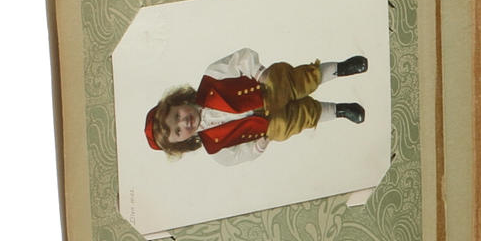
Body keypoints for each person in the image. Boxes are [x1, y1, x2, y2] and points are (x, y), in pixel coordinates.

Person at [144, 48, 369, 162]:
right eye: (178, 131)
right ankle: (340, 110)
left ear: (179, 102)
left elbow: (241, 58)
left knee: (302, 79)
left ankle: (340, 68)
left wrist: (260, 73)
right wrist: (258, 146)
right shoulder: (216, 150)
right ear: (183, 142)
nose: (184, 122)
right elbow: (240, 155)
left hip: (267, 89)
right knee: (301, 118)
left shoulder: (211, 78)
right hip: (269, 125)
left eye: (177, 116)